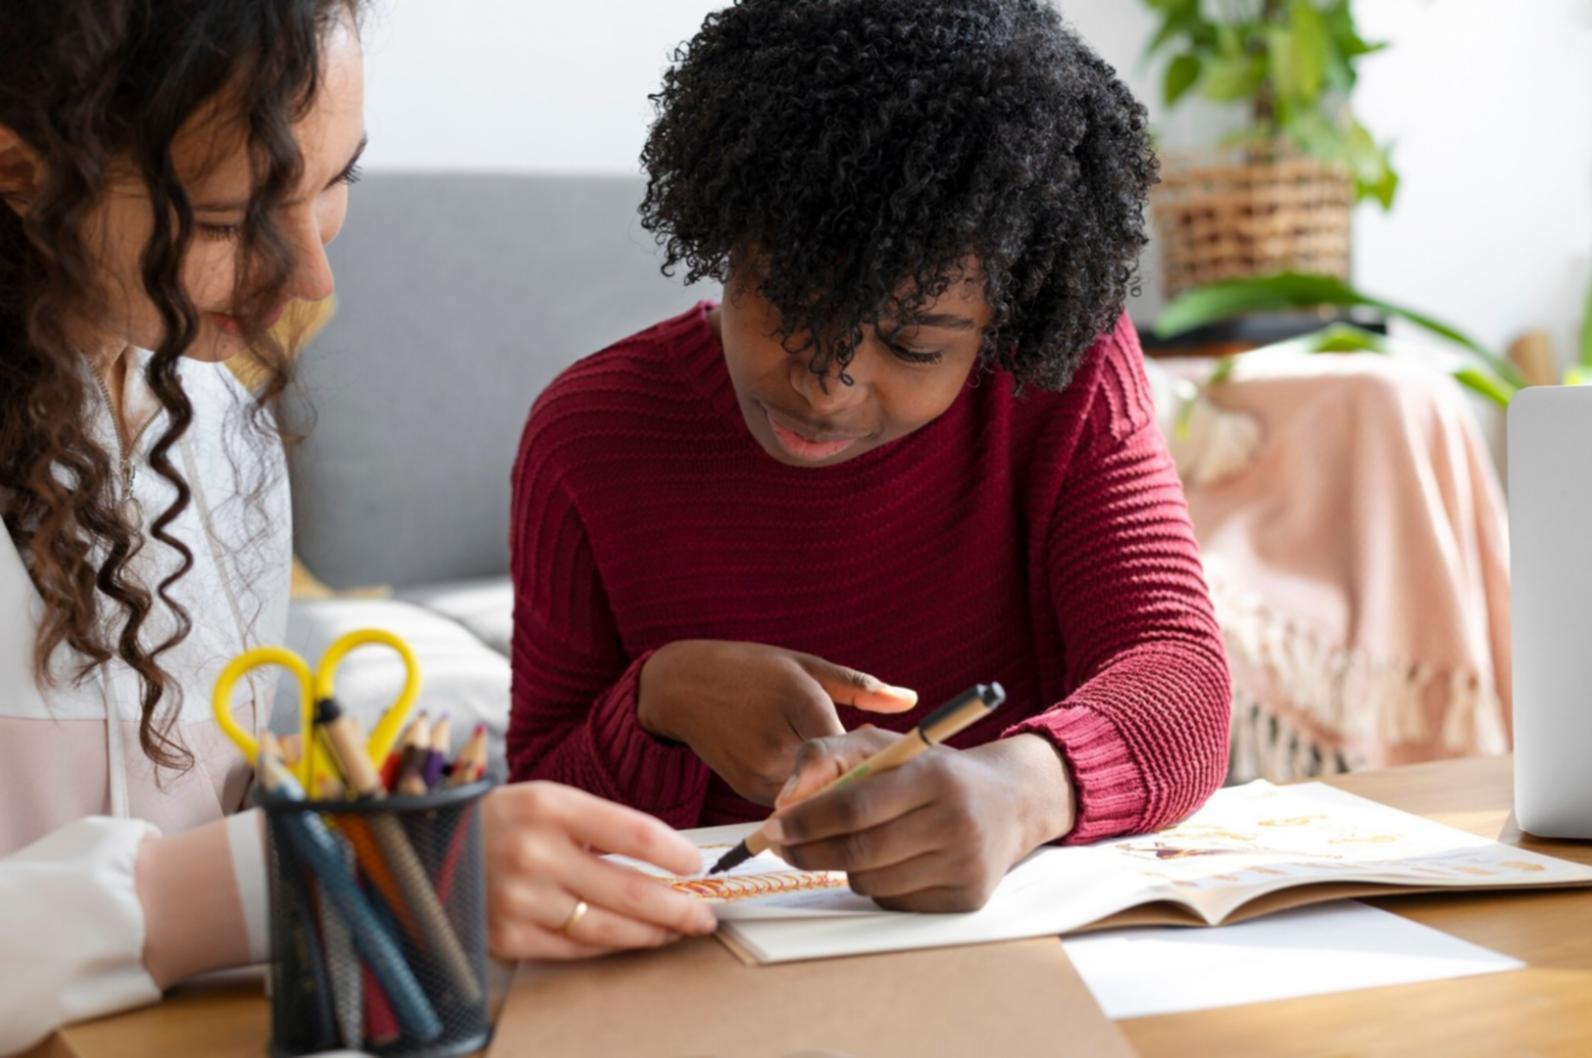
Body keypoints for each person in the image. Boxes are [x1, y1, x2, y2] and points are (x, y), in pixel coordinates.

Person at [0, 4, 709, 1051]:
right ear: (20, 176)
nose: (312, 280)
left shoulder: (221, 431)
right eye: (230, 218)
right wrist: (295, 868)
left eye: (336, 183)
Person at [508, 0, 1232, 913]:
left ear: (1002, 321)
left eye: (915, 346)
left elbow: (1181, 676)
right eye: (789, 309)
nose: (829, 386)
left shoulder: (1060, 377)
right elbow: (532, 812)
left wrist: (1023, 790)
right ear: (725, 235)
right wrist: (662, 700)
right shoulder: (589, 435)